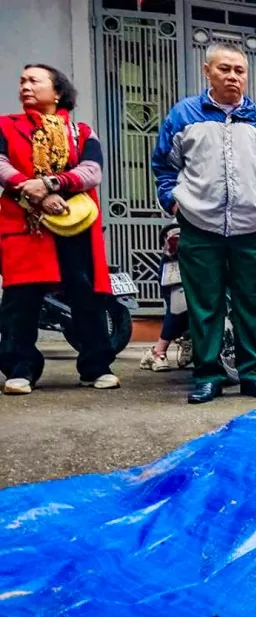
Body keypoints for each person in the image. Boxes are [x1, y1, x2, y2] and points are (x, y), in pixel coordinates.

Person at [152, 42, 256, 405]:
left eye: (239, 70)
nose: (232, 76)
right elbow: (164, 165)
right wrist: (172, 201)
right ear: (207, 71)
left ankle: (255, 375)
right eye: (224, 68)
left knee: (253, 303)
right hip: (200, 226)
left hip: (253, 227)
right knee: (204, 305)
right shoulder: (184, 115)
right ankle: (208, 376)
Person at [0, 64, 119, 396]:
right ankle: (20, 369)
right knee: (20, 298)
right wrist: (28, 187)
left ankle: (96, 367)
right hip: (24, 223)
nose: (25, 86)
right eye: (22, 80)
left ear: (57, 92)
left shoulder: (81, 131)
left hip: (72, 223)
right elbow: (0, 163)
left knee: (85, 295)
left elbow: (92, 170)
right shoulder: (6, 127)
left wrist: (53, 184)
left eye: (34, 81)